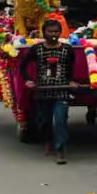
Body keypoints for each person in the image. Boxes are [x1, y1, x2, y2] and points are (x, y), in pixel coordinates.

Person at [23, 18, 78, 164]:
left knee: (60, 120)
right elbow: (23, 66)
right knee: (44, 122)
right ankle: (48, 140)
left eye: (56, 32)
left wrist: (71, 81)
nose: (53, 34)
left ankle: (61, 150)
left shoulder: (68, 50)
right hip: (43, 91)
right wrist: (28, 79)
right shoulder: (37, 49)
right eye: (50, 32)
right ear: (44, 33)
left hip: (61, 91)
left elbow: (71, 70)